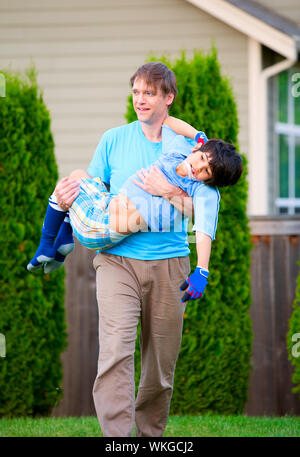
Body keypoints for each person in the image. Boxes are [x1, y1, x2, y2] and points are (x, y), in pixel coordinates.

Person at [52, 62, 237, 437]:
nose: (140, 99)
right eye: (136, 92)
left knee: (159, 365)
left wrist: (167, 191)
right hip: (117, 261)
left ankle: (150, 436)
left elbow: (200, 212)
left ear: (168, 98)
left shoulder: (192, 154)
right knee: (116, 351)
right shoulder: (114, 139)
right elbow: (97, 196)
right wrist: (64, 198)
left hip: (170, 264)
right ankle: (117, 440)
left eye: (149, 93)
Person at [27, 123, 242, 304]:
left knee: (64, 187)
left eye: (207, 172)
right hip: (108, 203)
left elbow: (204, 229)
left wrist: (202, 270)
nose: (200, 168)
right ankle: (63, 238)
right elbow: (167, 121)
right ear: (198, 150)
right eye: (203, 159)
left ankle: (48, 243)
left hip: (99, 228)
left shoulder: (203, 191)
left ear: (211, 182)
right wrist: (197, 135)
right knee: (76, 175)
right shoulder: (178, 151)